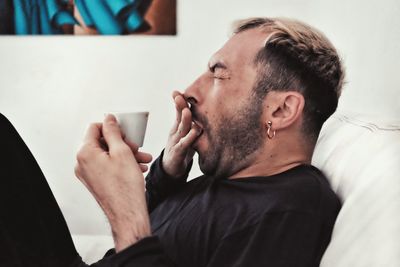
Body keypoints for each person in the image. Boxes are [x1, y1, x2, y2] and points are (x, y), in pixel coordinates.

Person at [0, 17, 344, 267]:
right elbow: (163, 233)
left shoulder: (291, 209)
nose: (189, 92)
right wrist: (166, 173)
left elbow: (138, 237)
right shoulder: (230, 176)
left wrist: (124, 211)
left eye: (219, 74)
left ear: (282, 110)